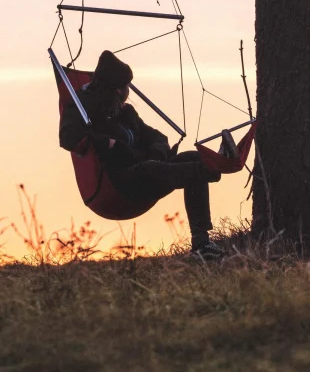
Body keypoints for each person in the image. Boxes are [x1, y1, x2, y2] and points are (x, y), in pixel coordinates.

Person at [59, 50, 237, 259]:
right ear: (117, 89)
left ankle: (202, 243)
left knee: (192, 158)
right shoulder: (87, 112)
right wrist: (108, 143)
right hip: (119, 185)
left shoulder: (126, 114)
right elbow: (68, 137)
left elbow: (157, 137)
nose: (128, 92)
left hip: (149, 174)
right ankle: (216, 165)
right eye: (127, 87)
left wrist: (157, 151)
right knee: (152, 167)